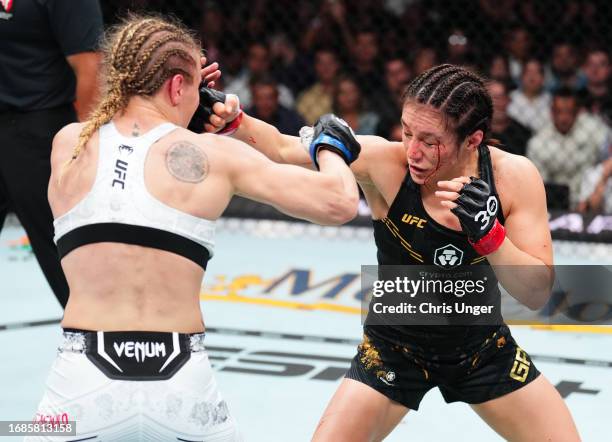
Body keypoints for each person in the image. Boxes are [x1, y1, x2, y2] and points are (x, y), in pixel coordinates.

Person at [207, 64, 580, 441]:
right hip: (393, 350)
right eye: (406, 131)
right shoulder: (383, 163)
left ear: (473, 140)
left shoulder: (513, 178)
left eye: (430, 140)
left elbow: (535, 294)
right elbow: (282, 148)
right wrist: (230, 117)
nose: (413, 151)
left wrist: (491, 235)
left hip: (482, 350)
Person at [30, 15, 360, 441]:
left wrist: (179, 95)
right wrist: (329, 142)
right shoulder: (212, 155)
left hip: (79, 388)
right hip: (182, 388)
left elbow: (125, 143)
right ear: (177, 86)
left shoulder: (67, 144)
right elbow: (339, 201)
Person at [0, 0, 103, 308]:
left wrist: (84, 145)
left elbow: (91, 67)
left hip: (40, 131)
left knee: (66, 252)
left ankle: (103, 342)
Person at [527, 88, 609, 209]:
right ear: (552, 113)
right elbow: (538, 184)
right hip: (554, 204)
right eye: (559, 112)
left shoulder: (594, 130)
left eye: (569, 112)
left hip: (591, 196)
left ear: (577, 113)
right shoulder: (538, 142)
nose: (564, 118)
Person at [487, 80, 532, 156]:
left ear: (508, 100)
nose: (495, 103)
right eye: (492, 98)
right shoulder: (476, 131)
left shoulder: (522, 133)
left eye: (499, 98)